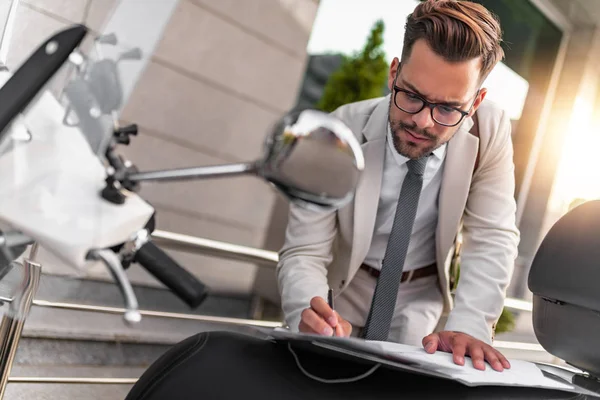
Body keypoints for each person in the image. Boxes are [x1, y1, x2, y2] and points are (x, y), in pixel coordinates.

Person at [276, 0, 520, 373]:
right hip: (341, 289)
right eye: (411, 96)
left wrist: (470, 328)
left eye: (448, 109)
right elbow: (305, 251)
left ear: (476, 102)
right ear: (394, 74)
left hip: (420, 303)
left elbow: (492, 236)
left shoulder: (490, 132)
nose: (423, 122)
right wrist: (307, 309)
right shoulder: (340, 131)